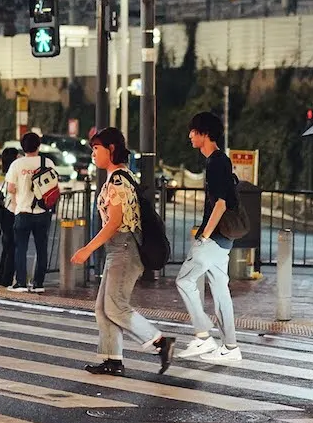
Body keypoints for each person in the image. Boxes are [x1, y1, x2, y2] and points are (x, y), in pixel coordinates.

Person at [70, 127, 172, 376]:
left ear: (111, 149)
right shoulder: (120, 176)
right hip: (119, 248)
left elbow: (114, 222)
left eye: (97, 148)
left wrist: (87, 249)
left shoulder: (117, 181)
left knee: (115, 306)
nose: (93, 153)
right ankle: (112, 359)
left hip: (124, 247)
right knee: (103, 307)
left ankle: (160, 342)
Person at [176, 112, 243, 363]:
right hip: (222, 239)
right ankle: (230, 346)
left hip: (214, 237)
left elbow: (221, 204)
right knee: (219, 289)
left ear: (204, 133)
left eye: (193, 131)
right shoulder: (219, 161)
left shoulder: (216, 162)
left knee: (184, 280)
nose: (190, 136)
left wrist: (203, 236)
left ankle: (203, 336)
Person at [5, 132, 56, 293]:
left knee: (21, 248)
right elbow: (54, 185)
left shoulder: (17, 164)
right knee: (42, 248)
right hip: (43, 212)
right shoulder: (47, 162)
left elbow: (11, 188)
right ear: (38, 146)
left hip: (23, 211)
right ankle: (38, 284)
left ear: (23, 146)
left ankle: (20, 283)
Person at [0, 144, 21, 289]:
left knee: (7, 247)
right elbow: (13, 190)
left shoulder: (8, 171)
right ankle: (7, 279)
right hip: (12, 211)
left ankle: (2, 279)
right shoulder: (14, 171)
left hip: (5, 213)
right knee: (12, 247)